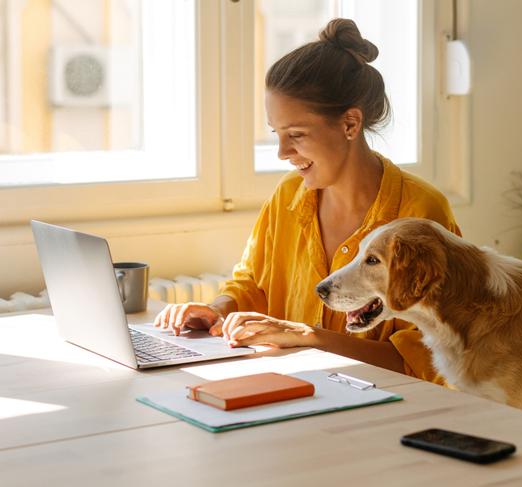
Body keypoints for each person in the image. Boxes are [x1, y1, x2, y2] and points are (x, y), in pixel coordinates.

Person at [154, 18, 461, 383]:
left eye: (296, 134)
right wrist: (216, 309)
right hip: (292, 393)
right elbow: (252, 284)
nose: (283, 152)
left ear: (350, 124)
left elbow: (427, 361)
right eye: (277, 134)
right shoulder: (288, 196)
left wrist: (311, 339)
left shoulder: (421, 212)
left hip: (386, 411)